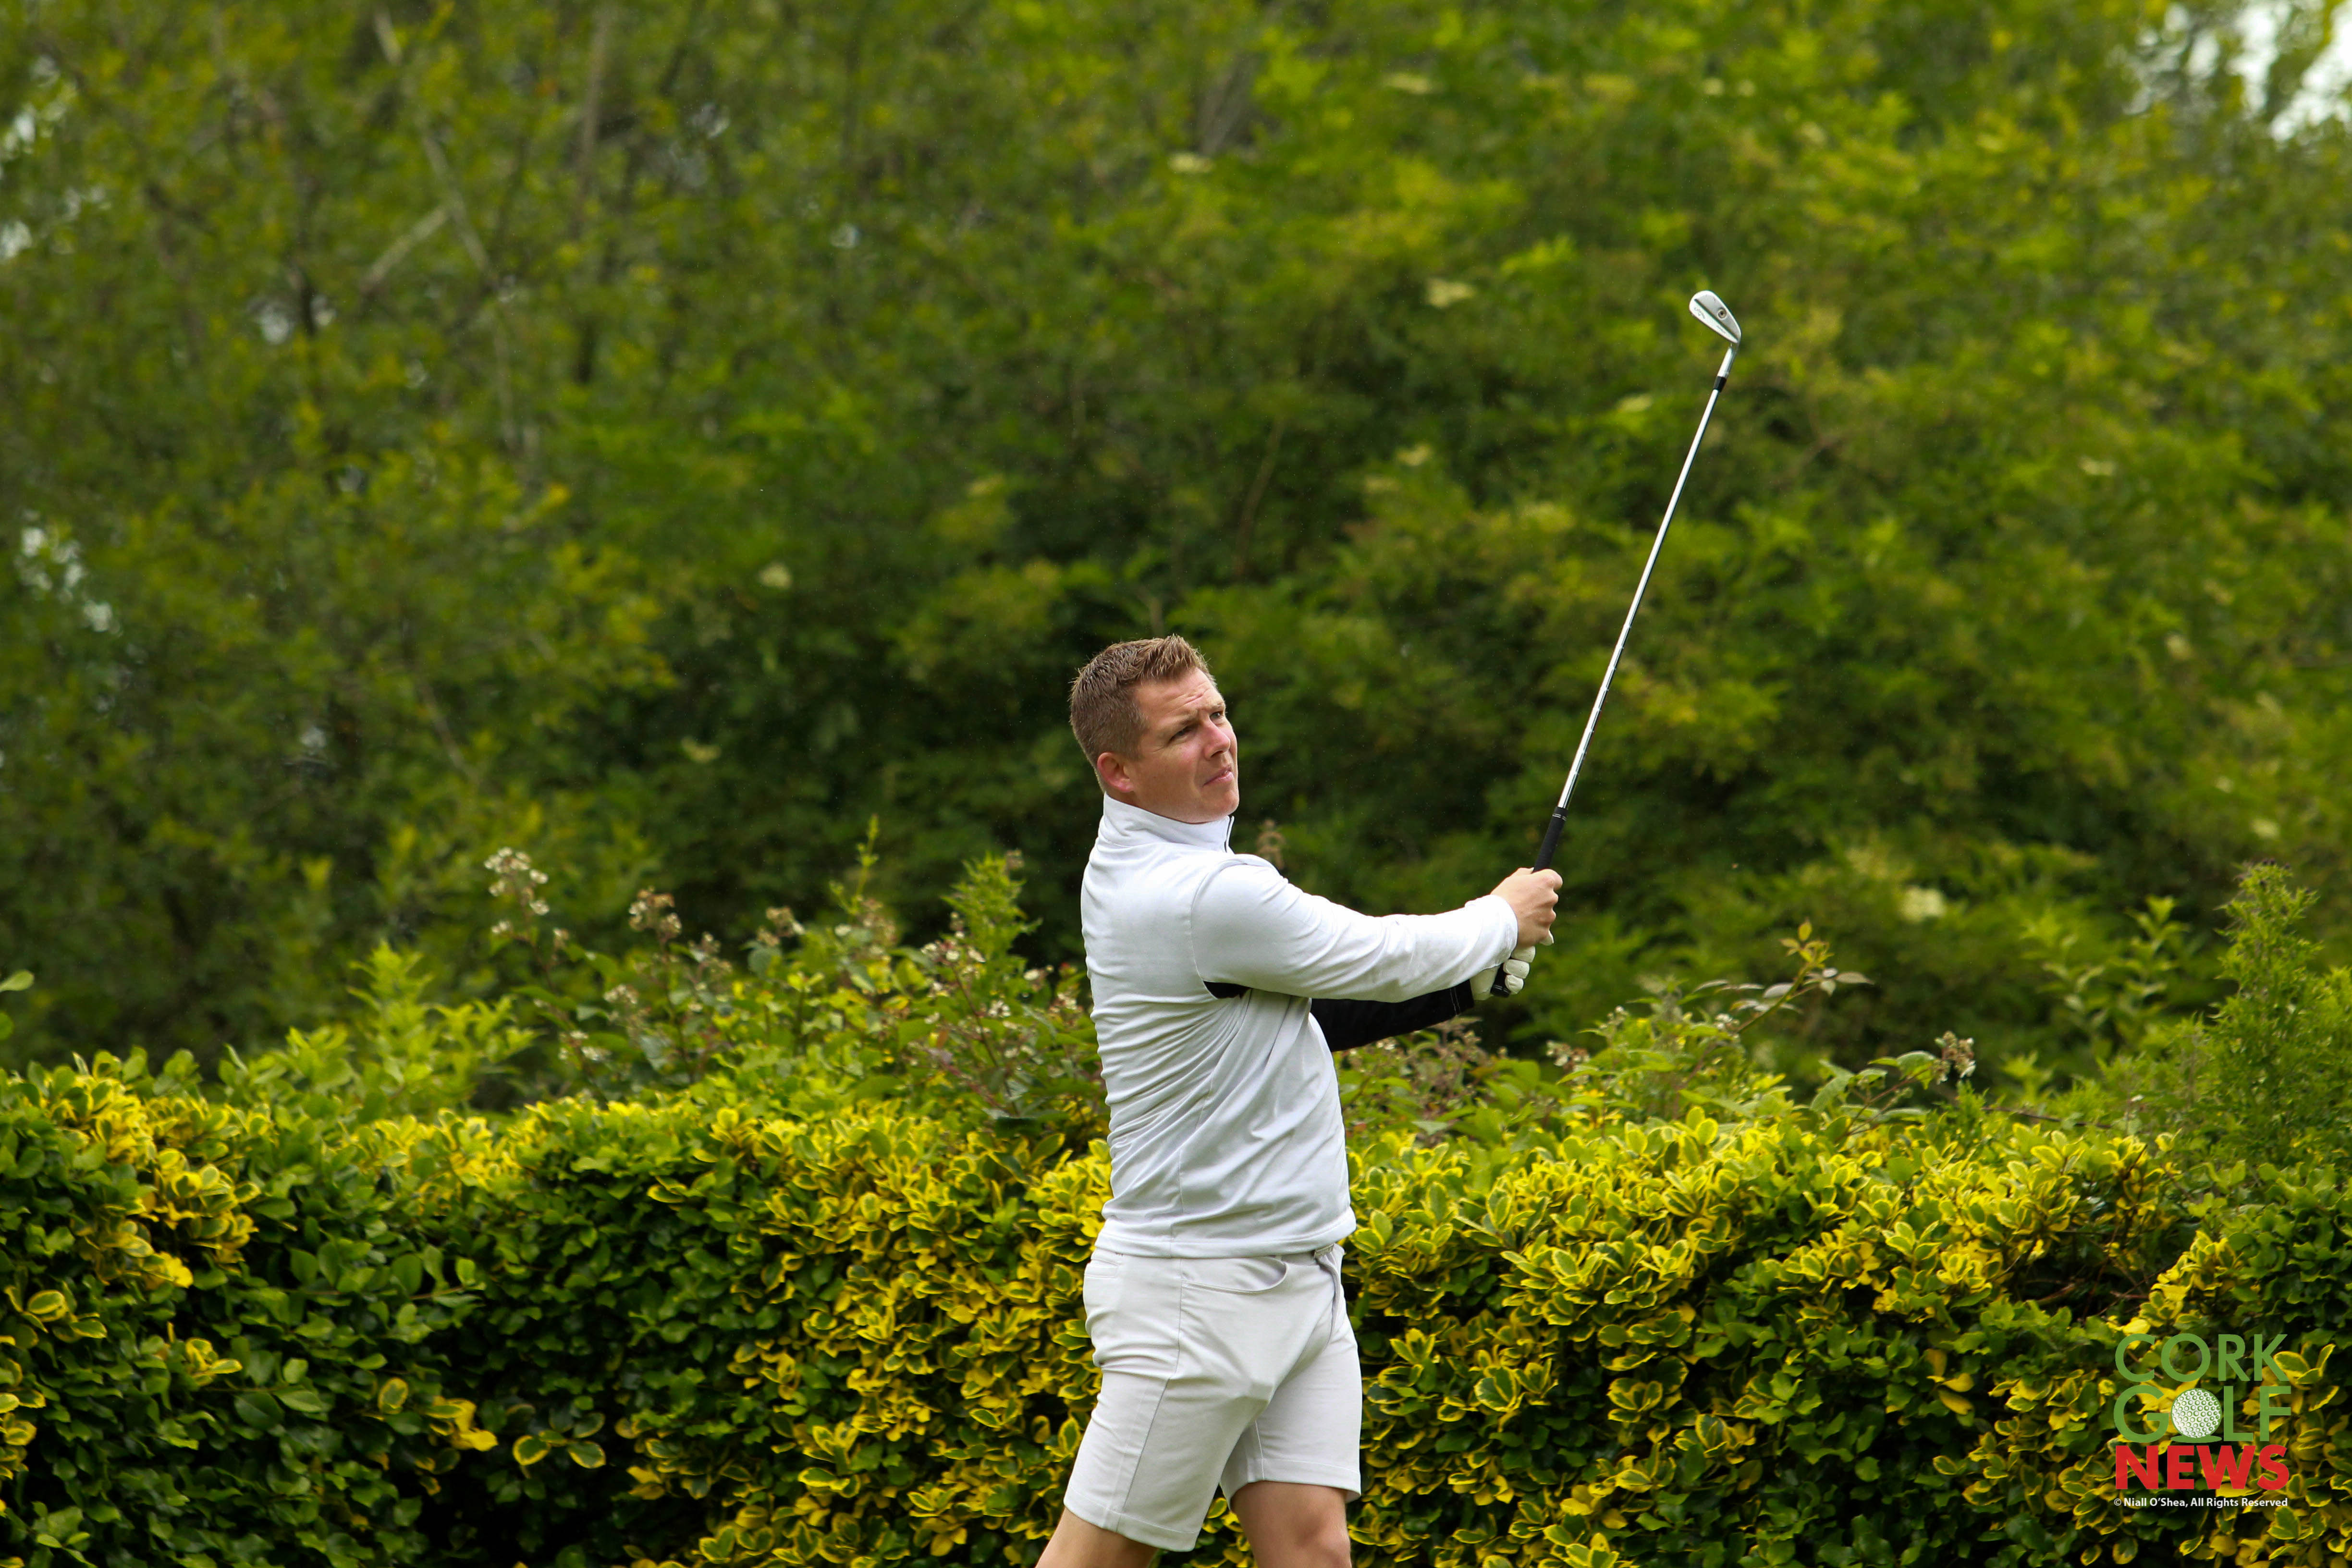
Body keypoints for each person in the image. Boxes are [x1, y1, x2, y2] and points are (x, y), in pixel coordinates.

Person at [1038, 635, 1560, 1568]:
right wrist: (1499, 918)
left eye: (1218, 714)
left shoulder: (1187, 877)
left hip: (1300, 1276)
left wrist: (1467, 983)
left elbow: (1308, 1014)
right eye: (1183, 732)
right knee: (1098, 1561)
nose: (1218, 740)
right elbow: (1379, 955)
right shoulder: (1198, 893)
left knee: (1315, 1551)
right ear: (1119, 772)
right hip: (1198, 1289)